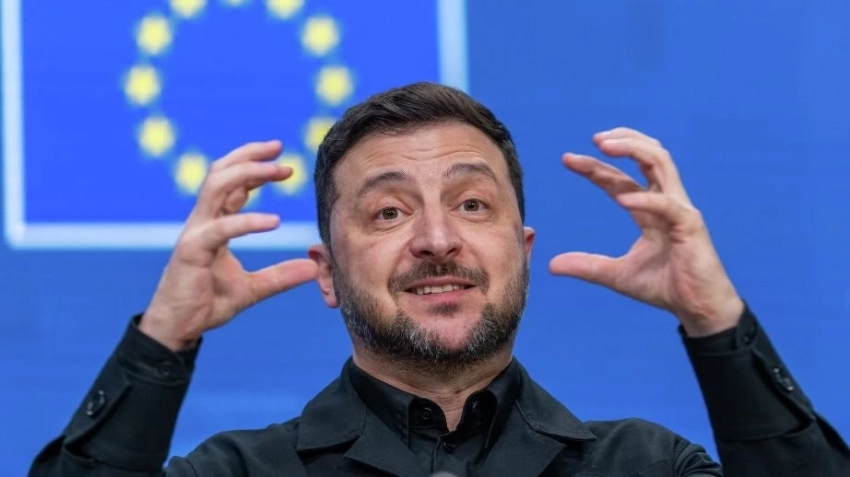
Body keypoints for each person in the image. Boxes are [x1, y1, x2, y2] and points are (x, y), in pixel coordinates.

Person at [29, 83, 849, 477]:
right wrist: (162, 342)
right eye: (388, 212)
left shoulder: (644, 465)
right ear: (326, 272)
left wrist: (716, 320)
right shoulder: (239, 472)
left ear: (521, 249)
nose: (436, 239)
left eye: (471, 203)